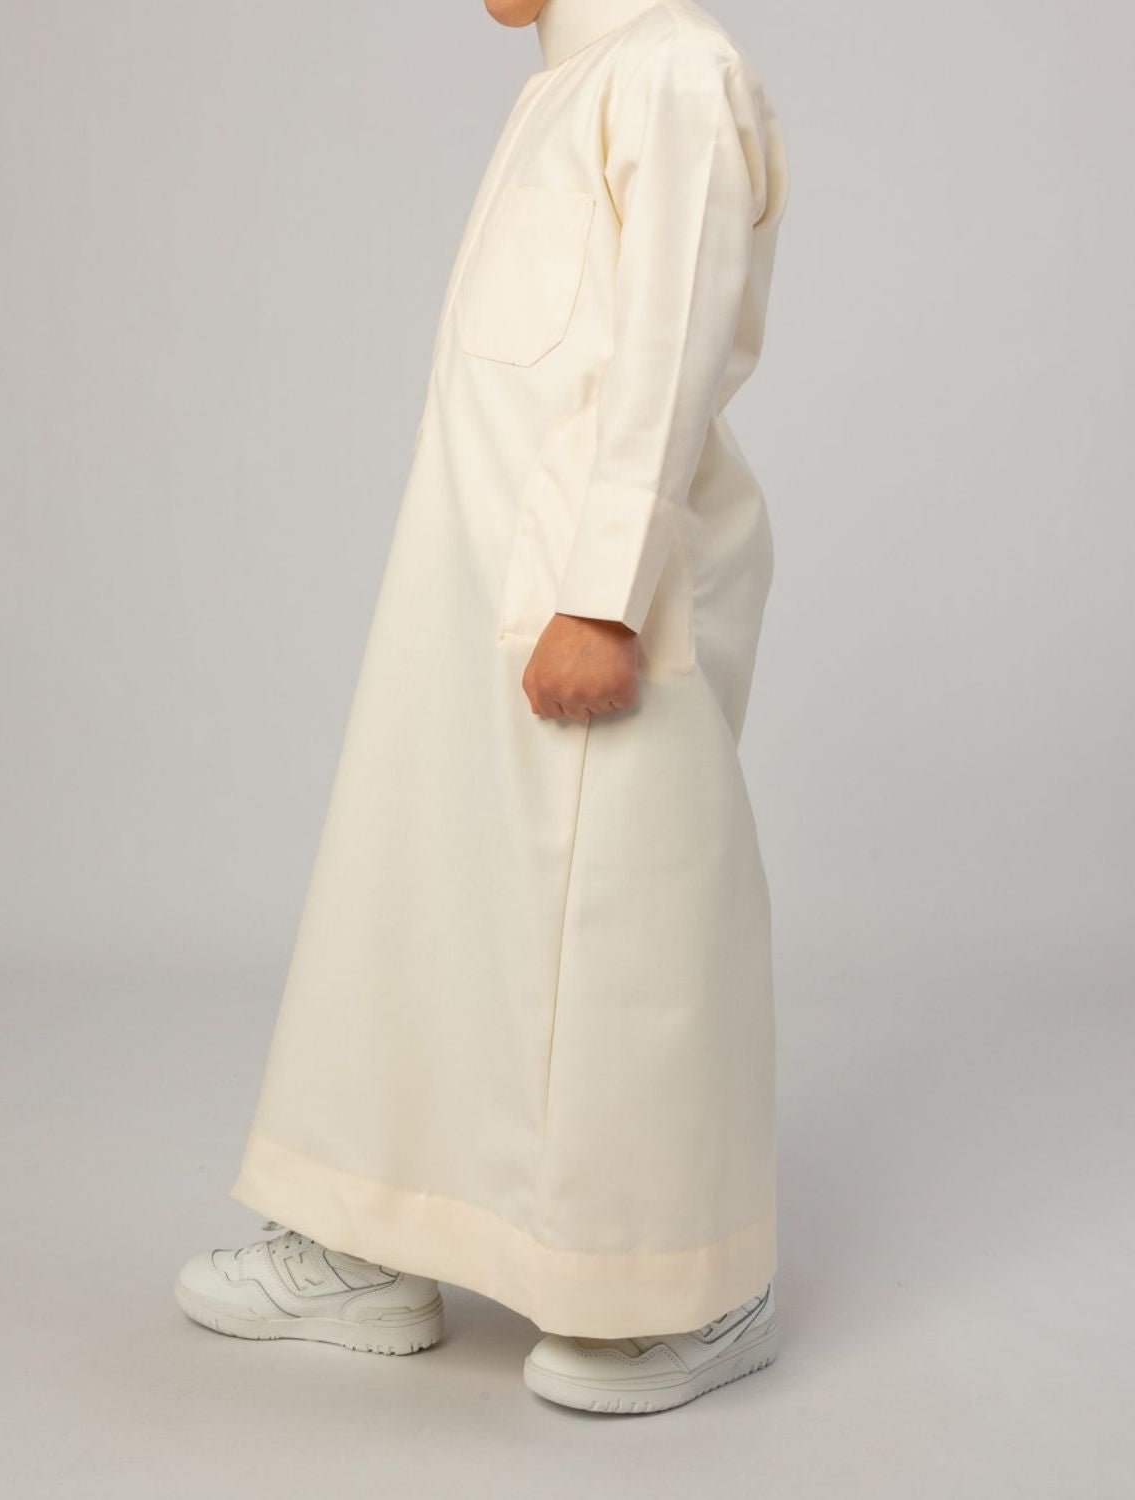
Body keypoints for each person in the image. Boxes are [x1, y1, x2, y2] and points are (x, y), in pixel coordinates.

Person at [175, 0, 790, 1415]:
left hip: (592, 597)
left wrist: (603, 595)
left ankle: (688, 1282)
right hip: (472, 576)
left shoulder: (674, 71)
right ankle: (376, 1243)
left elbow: (668, 356)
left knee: (626, 923)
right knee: (432, 897)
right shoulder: (565, 85)